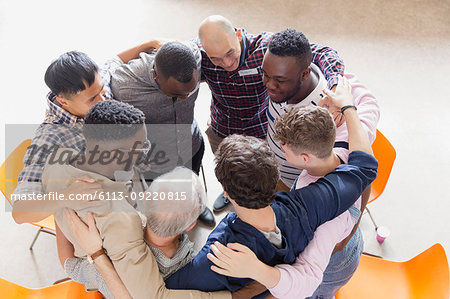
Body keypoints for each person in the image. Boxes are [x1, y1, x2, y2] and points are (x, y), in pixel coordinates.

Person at [43, 100, 230, 299]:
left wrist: (68, 260)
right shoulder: (123, 222)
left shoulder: (56, 162)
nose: (146, 151)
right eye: (141, 147)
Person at [163, 125, 377, 295]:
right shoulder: (309, 204)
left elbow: (166, 291)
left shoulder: (221, 254)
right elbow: (365, 168)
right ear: (275, 177)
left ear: (226, 192)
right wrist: (348, 108)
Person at [207, 77, 371, 298]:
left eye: (285, 151)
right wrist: (345, 104)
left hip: (332, 266)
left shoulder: (328, 222)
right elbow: (362, 95)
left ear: (305, 158)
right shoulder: (346, 143)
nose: (280, 154)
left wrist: (254, 269)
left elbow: (307, 280)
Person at [197, 15, 346, 211]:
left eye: (230, 53)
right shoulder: (200, 54)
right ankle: (231, 194)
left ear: (239, 35)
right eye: (215, 58)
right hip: (222, 128)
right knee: (230, 171)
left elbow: (322, 52)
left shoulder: (266, 49)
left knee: (260, 178)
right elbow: (172, 58)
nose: (226, 63)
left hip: (259, 129)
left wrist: (336, 87)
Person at [11, 41, 161, 224]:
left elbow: (115, 60)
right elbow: (20, 212)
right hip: (102, 210)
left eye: (102, 90)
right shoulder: (50, 138)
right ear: (63, 101)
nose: (103, 99)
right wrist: (65, 196)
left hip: (131, 180)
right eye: (92, 99)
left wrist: (152, 43)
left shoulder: (96, 86)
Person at [110, 41, 215, 226]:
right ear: (155, 75)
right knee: (165, 199)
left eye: (189, 92)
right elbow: (105, 68)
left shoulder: (194, 56)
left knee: (192, 183)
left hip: (191, 144)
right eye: (175, 94)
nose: (184, 97)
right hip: (155, 159)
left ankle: (196, 207)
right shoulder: (125, 85)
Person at [264, 29, 380, 190]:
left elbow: (361, 170)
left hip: (300, 186)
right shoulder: (280, 69)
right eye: (266, 75)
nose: (269, 85)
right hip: (273, 169)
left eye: (279, 80)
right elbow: (318, 50)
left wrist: (345, 103)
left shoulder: (330, 110)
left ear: (305, 74)